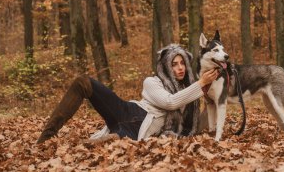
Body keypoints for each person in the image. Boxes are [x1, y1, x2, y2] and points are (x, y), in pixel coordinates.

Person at [36, 44, 219, 144]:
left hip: (137, 134)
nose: (180, 68)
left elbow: (197, 126)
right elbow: (170, 103)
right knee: (83, 82)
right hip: (129, 113)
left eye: (182, 63)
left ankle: (107, 139)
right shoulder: (152, 82)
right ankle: (45, 138)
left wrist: (213, 95)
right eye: (174, 64)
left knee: (102, 143)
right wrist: (200, 83)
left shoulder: (190, 94)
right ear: (165, 66)